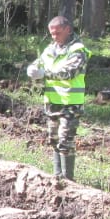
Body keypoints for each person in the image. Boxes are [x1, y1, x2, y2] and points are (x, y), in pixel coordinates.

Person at [26, 15, 91, 181]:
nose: (54, 37)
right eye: (52, 33)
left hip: (70, 104)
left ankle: (68, 180)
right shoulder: (50, 49)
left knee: (65, 141)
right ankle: (57, 176)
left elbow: (70, 72)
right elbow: (38, 63)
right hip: (52, 103)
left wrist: (45, 74)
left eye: (58, 33)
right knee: (53, 140)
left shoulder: (77, 49)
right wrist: (32, 69)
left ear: (68, 30)